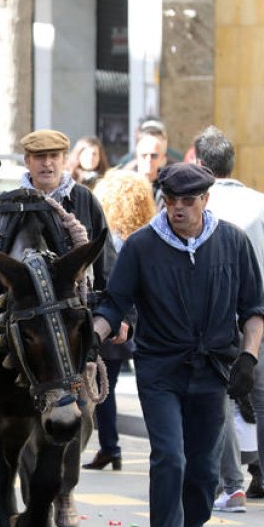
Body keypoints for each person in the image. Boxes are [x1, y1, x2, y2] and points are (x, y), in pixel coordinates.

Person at [92, 162, 264, 527]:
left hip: (213, 372)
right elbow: (114, 304)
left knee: (204, 473)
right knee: (170, 458)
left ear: (206, 199)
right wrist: (92, 338)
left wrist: (249, 358)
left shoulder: (233, 243)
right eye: (171, 200)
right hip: (160, 372)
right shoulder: (141, 246)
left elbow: (254, 309)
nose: (178, 208)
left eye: (188, 200)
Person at [191, 126, 264, 513]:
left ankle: (232, 488)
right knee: (263, 399)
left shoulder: (196, 203)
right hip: (256, 318)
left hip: (211, 320)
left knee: (219, 399)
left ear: (200, 163)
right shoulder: (263, 204)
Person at [15, 128, 110, 527]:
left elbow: (105, 265)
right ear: (28, 163)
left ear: (66, 159)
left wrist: (113, 317)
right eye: (39, 157)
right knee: (24, 423)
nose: (48, 163)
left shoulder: (84, 202)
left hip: (74, 335)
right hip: (28, 340)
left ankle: (65, 491)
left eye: (55, 156)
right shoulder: (9, 207)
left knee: (81, 416)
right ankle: (33, 499)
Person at [81, 169, 156, 473]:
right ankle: (145, 447)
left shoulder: (112, 239)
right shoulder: (151, 235)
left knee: (104, 387)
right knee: (151, 389)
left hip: (119, 319)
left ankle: (110, 447)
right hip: (148, 322)